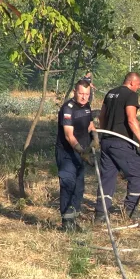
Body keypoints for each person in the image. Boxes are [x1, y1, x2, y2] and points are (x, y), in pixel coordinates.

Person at [94, 72, 140, 223]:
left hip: (107, 142)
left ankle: (101, 214)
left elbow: (101, 116)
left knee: (108, 177)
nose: (139, 87)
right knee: (138, 173)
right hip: (121, 142)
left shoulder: (110, 93)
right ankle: (130, 210)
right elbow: (131, 119)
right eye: (138, 85)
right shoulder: (130, 95)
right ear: (132, 83)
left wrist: (105, 133)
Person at [55, 79, 100, 232]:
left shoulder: (86, 106)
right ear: (74, 92)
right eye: (81, 93)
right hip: (68, 154)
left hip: (82, 153)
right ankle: (66, 223)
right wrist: (83, 152)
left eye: (86, 94)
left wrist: (95, 137)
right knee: (68, 185)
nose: (83, 97)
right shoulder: (67, 109)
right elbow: (69, 135)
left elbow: (90, 124)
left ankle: (73, 220)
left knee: (79, 188)